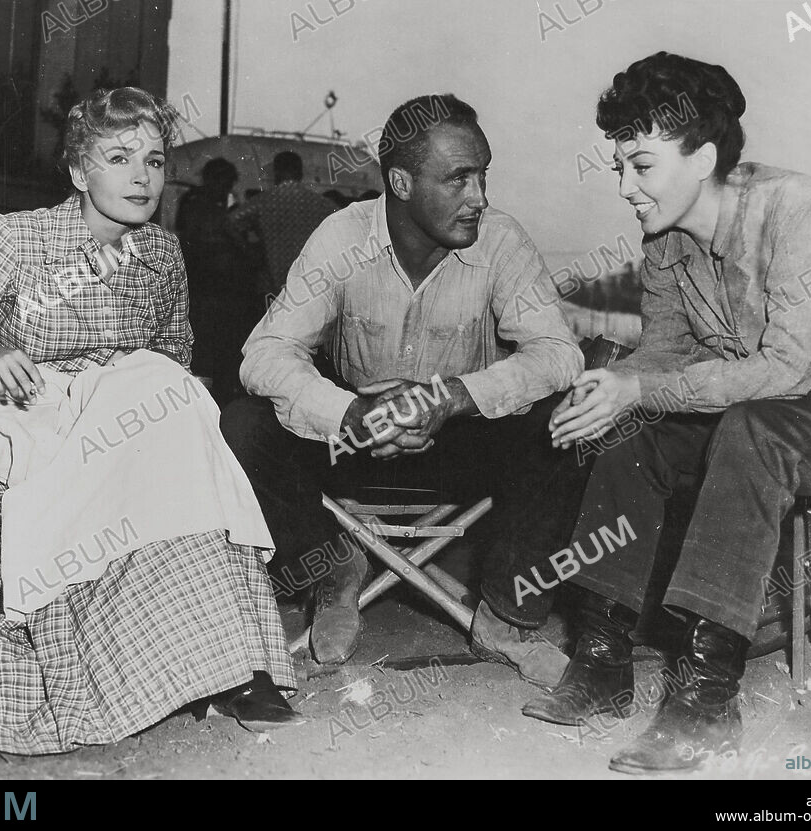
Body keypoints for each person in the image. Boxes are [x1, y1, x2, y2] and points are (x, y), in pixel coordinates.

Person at [0, 87, 300, 757]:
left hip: (126, 408)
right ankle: (162, 663)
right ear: (78, 171)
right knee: (162, 399)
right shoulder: (15, 238)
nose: (143, 176)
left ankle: (229, 659)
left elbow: (174, 356)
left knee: (174, 393)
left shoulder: (161, 251)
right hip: (25, 406)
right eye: (120, 157)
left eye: (156, 160)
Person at [523, 52, 811, 773]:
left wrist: (640, 387)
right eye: (619, 167)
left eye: (641, 165)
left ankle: (704, 701)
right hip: (782, 414)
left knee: (752, 427)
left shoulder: (796, 208)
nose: (626, 188)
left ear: (701, 157)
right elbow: (662, 356)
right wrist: (608, 387)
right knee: (631, 426)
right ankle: (601, 662)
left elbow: (786, 370)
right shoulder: (666, 241)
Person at [222, 94, 590, 678]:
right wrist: (349, 413)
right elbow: (263, 355)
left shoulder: (502, 240)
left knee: (568, 417)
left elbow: (559, 354)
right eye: (458, 180)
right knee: (241, 423)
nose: (480, 198)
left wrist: (452, 398)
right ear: (400, 182)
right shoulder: (340, 237)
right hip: (351, 448)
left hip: (461, 446)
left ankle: (506, 612)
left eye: (483, 176)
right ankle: (333, 569)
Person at [175, 157, 261, 403]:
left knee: (217, 347)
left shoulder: (215, 205)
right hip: (206, 286)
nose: (226, 188)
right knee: (207, 348)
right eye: (223, 182)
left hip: (220, 289)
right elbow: (191, 238)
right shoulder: (199, 204)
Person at [230, 150, 337, 301]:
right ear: (300, 173)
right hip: (309, 284)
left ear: (276, 172)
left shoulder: (263, 201)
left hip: (271, 284)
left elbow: (231, 222)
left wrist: (249, 250)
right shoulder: (322, 204)